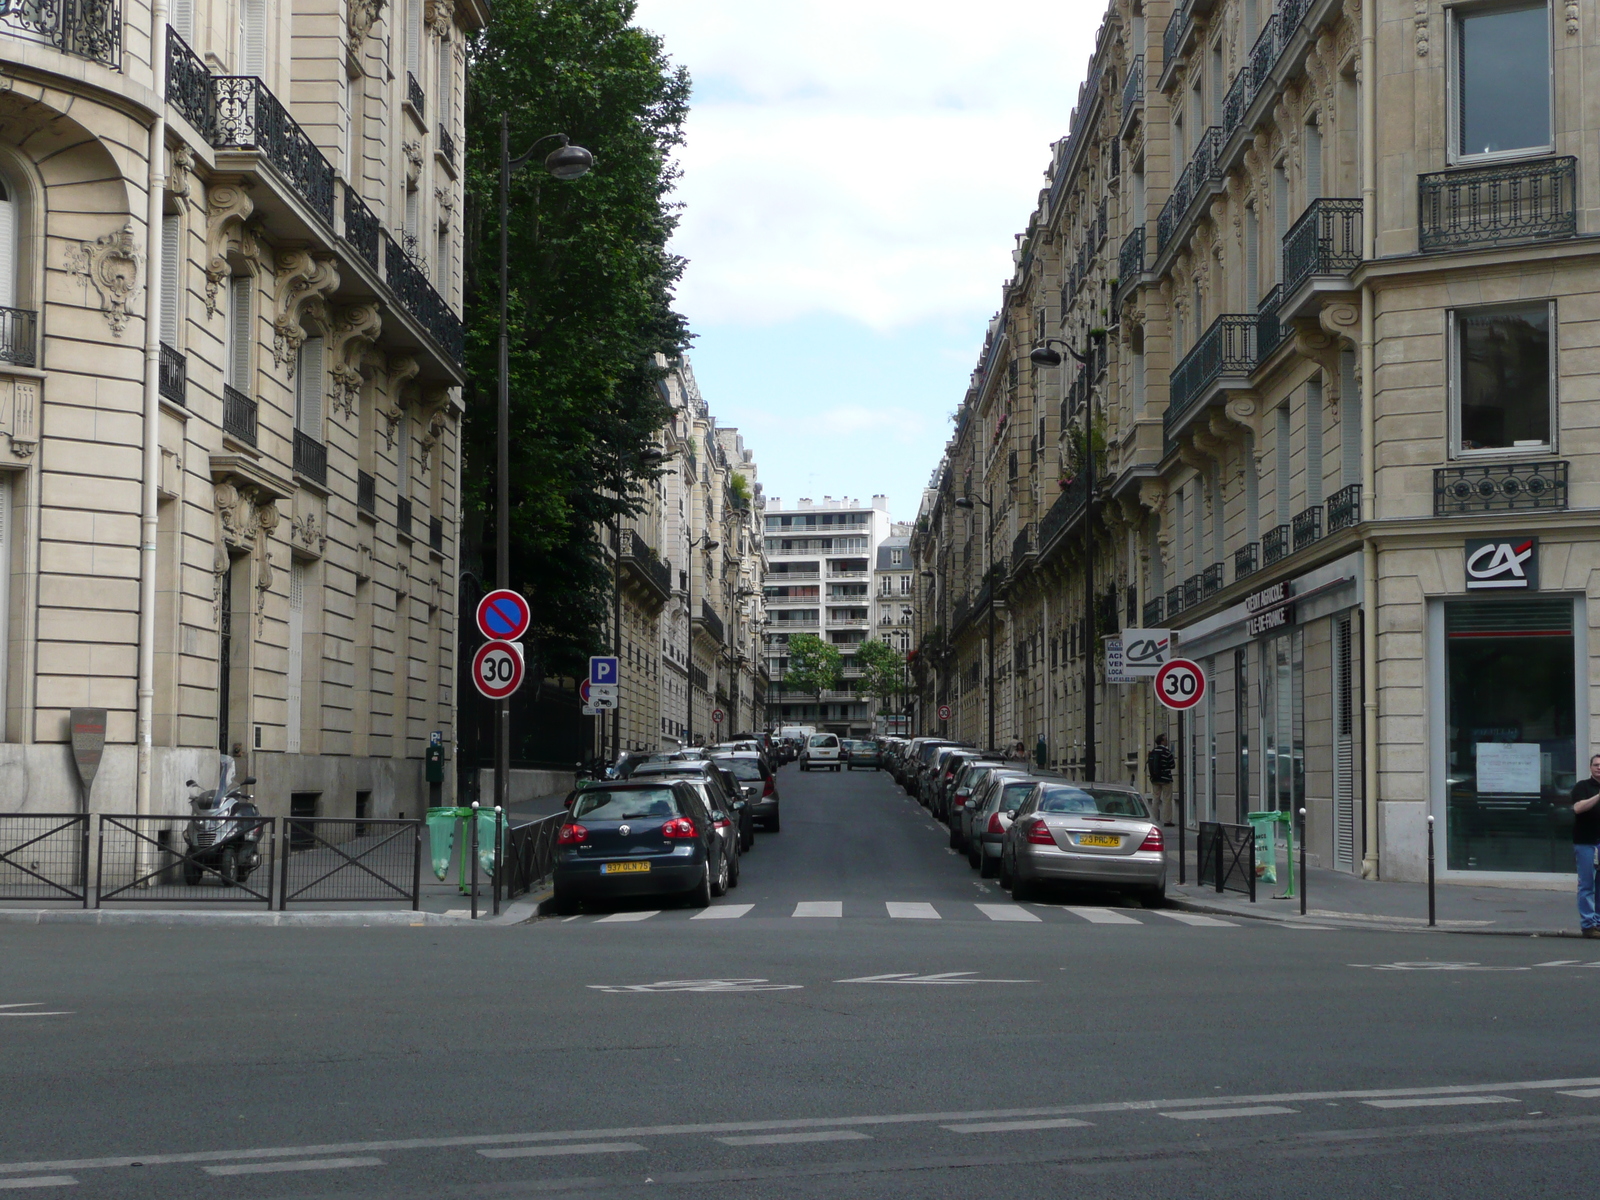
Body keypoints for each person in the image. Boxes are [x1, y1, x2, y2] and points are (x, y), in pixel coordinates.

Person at [1572, 754, 1600, 937]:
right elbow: (1578, 808)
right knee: (1587, 884)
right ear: (1590, 767)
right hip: (1586, 842)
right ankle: (1588, 925)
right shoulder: (1582, 786)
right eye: (1596, 765)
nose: (1599, 767)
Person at [1147, 733, 1176, 826]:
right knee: (1167, 799)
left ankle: (1154, 819)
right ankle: (1167, 820)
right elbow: (1172, 765)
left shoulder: (1153, 751)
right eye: (1165, 739)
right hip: (1165, 778)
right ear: (1162, 741)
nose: (1167, 741)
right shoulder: (1167, 752)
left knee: (1155, 799)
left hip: (1155, 779)